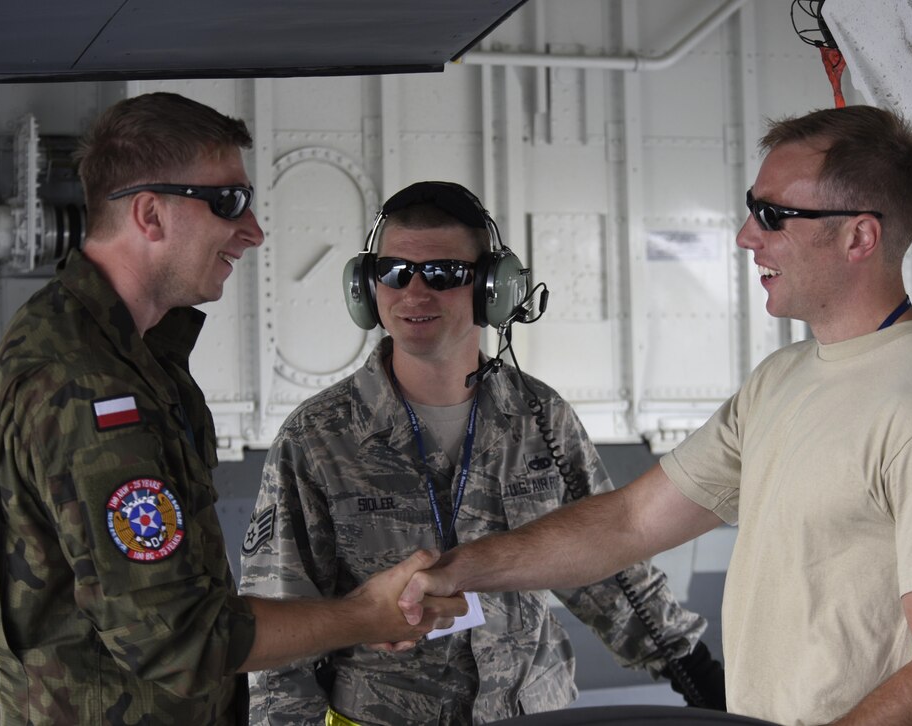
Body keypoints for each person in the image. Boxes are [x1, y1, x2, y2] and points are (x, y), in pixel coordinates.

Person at [398, 107, 912, 726]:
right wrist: (458, 570)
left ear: (860, 237)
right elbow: (632, 523)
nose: (748, 236)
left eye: (774, 215)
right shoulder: (784, 378)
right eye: (753, 207)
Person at [0, 92, 464, 726]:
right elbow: (179, 636)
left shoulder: (126, 352)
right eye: (228, 202)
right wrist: (362, 615)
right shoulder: (91, 386)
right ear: (150, 214)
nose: (254, 231)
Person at [239, 180, 726, 726]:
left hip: (529, 712)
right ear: (367, 287)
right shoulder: (319, 437)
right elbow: (280, 621)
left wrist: (691, 666)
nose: (414, 293)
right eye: (394, 272)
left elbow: (605, 564)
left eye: (444, 274)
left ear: (492, 289)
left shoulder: (540, 418)